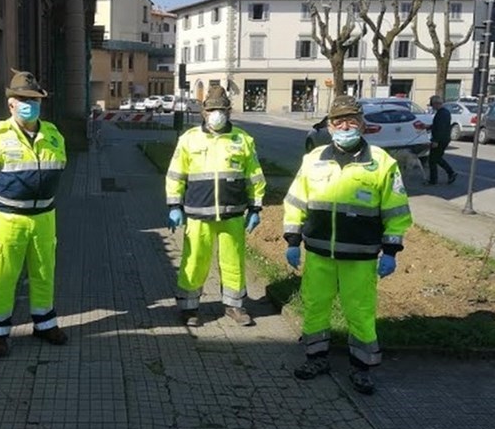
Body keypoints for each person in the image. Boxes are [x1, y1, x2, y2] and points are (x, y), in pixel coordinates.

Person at [283, 95, 412, 395]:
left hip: (361, 256)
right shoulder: (312, 160)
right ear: (329, 126)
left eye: (352, 121)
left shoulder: (382, 163)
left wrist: (391, 251)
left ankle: (362, 368)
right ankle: (316, 358)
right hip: (318, 253)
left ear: (363, 125)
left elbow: (397, 210)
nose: (345, 126)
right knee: (315, 306)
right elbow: (295, 202)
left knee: (360, 311)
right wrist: (292, 240)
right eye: (338, 121)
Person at [0, 70, 68, 357]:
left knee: (43, 272)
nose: (30, 104)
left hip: (44, 219)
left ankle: (44, 323)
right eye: (24, 99)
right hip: (6, 220)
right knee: (1, 275)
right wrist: (5, 201)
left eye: (35, 100)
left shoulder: (53, 134)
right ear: (11, 103)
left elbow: (59, 168)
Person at [165, 87, 266, 327]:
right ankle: (188, 308)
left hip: (233, 213)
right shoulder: (189, 138)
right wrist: (174, 205)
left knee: (233, 261)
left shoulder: (242, 139)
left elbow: (255, 176)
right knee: (194, 260)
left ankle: (235, 306)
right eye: (211, 110)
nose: (216, 114)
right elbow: (175, 174)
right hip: (198, 213)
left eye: (221, 109)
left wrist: (255, 208)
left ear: (229, 111)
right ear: (203, 112)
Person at [425, 95, 457, 185]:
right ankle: (451, 173)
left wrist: (435, 141)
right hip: (443, 139)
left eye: (432, 105)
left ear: (436, 104)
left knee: (432, 160)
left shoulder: (442, 113)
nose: (432, 107)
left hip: (440, 140)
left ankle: (433, 180)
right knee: (437, 158)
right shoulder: (443, 112)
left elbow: (441, 128)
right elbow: (438, 125)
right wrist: (428, 127)